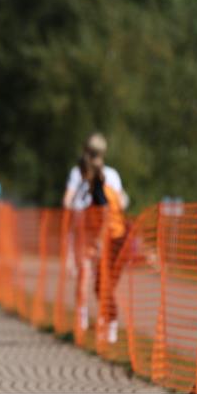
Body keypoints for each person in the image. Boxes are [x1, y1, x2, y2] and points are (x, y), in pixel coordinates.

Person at [62, 133, 128, 332]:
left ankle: (108, 322)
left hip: (106, 234)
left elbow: (113, 208)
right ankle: (89, 319)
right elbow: (68, 201)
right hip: (88, 231)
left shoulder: (107, 178)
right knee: (89, 277)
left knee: (101, 282)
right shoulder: (81, 173)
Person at [79, 153, 128, 344]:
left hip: (116, 239)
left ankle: (111, 326)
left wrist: (99, 242)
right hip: (112, 238)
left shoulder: (100, 190)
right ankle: (106, 322)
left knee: (104, 285)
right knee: (101, 285)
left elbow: (106, 216)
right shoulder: (96, 189)